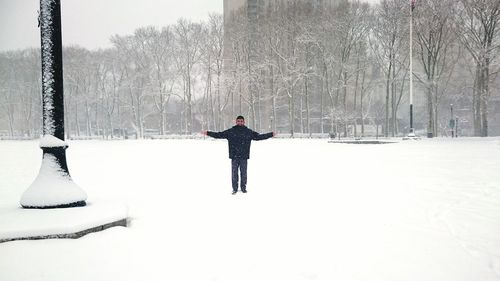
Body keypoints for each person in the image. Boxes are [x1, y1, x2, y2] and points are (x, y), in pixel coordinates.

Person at [202, 116, 276, 194]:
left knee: (244, 173)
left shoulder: (248, 132)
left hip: (244, 156)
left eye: (241, 121)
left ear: (244, 122)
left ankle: (243, 188)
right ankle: (235, 189)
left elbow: (259, 137)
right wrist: (208, 133)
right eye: (238, 121)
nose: (240, 122)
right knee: (234, 173)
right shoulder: (231, 131)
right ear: (236, 122)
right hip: (234, 156)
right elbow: (219, 135)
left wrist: (270, 134)